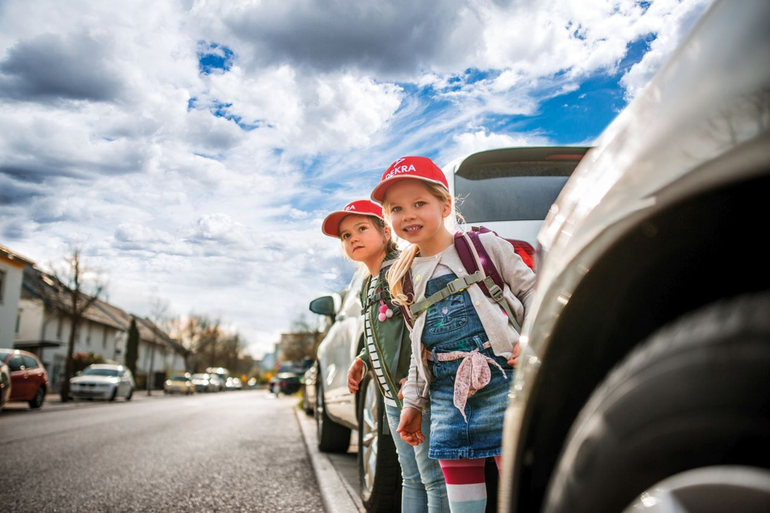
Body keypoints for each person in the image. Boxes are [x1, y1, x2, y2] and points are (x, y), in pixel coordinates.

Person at [370, 156, 535, 512]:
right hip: (447, 397)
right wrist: (413, 403)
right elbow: (420, 352)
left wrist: (532, 336)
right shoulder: (404, 275)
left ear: (445, 205)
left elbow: (533, 291)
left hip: (504, 381)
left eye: (419, 204)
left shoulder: (482, 247)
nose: (409, 215)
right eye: (396, 208)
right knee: (462, 502)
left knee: (516, 493)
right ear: (388, 218)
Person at [321, 199, 449, 513]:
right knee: (411, 476)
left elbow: (416, 329)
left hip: (415, 392)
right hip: (391, 396)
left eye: (361, 229)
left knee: (432, 477)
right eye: (346, 236)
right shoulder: (369, 283)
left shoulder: (402, 269)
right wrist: (363, 359)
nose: (353, 239)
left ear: (385, 232)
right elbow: (379, 333)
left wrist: (414, 385)